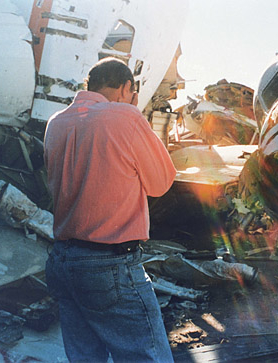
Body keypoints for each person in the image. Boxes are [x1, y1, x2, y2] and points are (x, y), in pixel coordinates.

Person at [44, 57, 176, 362]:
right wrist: (133, 111)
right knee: (148, 356)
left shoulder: (56, 122)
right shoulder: (125, 116)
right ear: (127, 87)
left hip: (63, 261)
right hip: (109, 267)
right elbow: (160, 183)